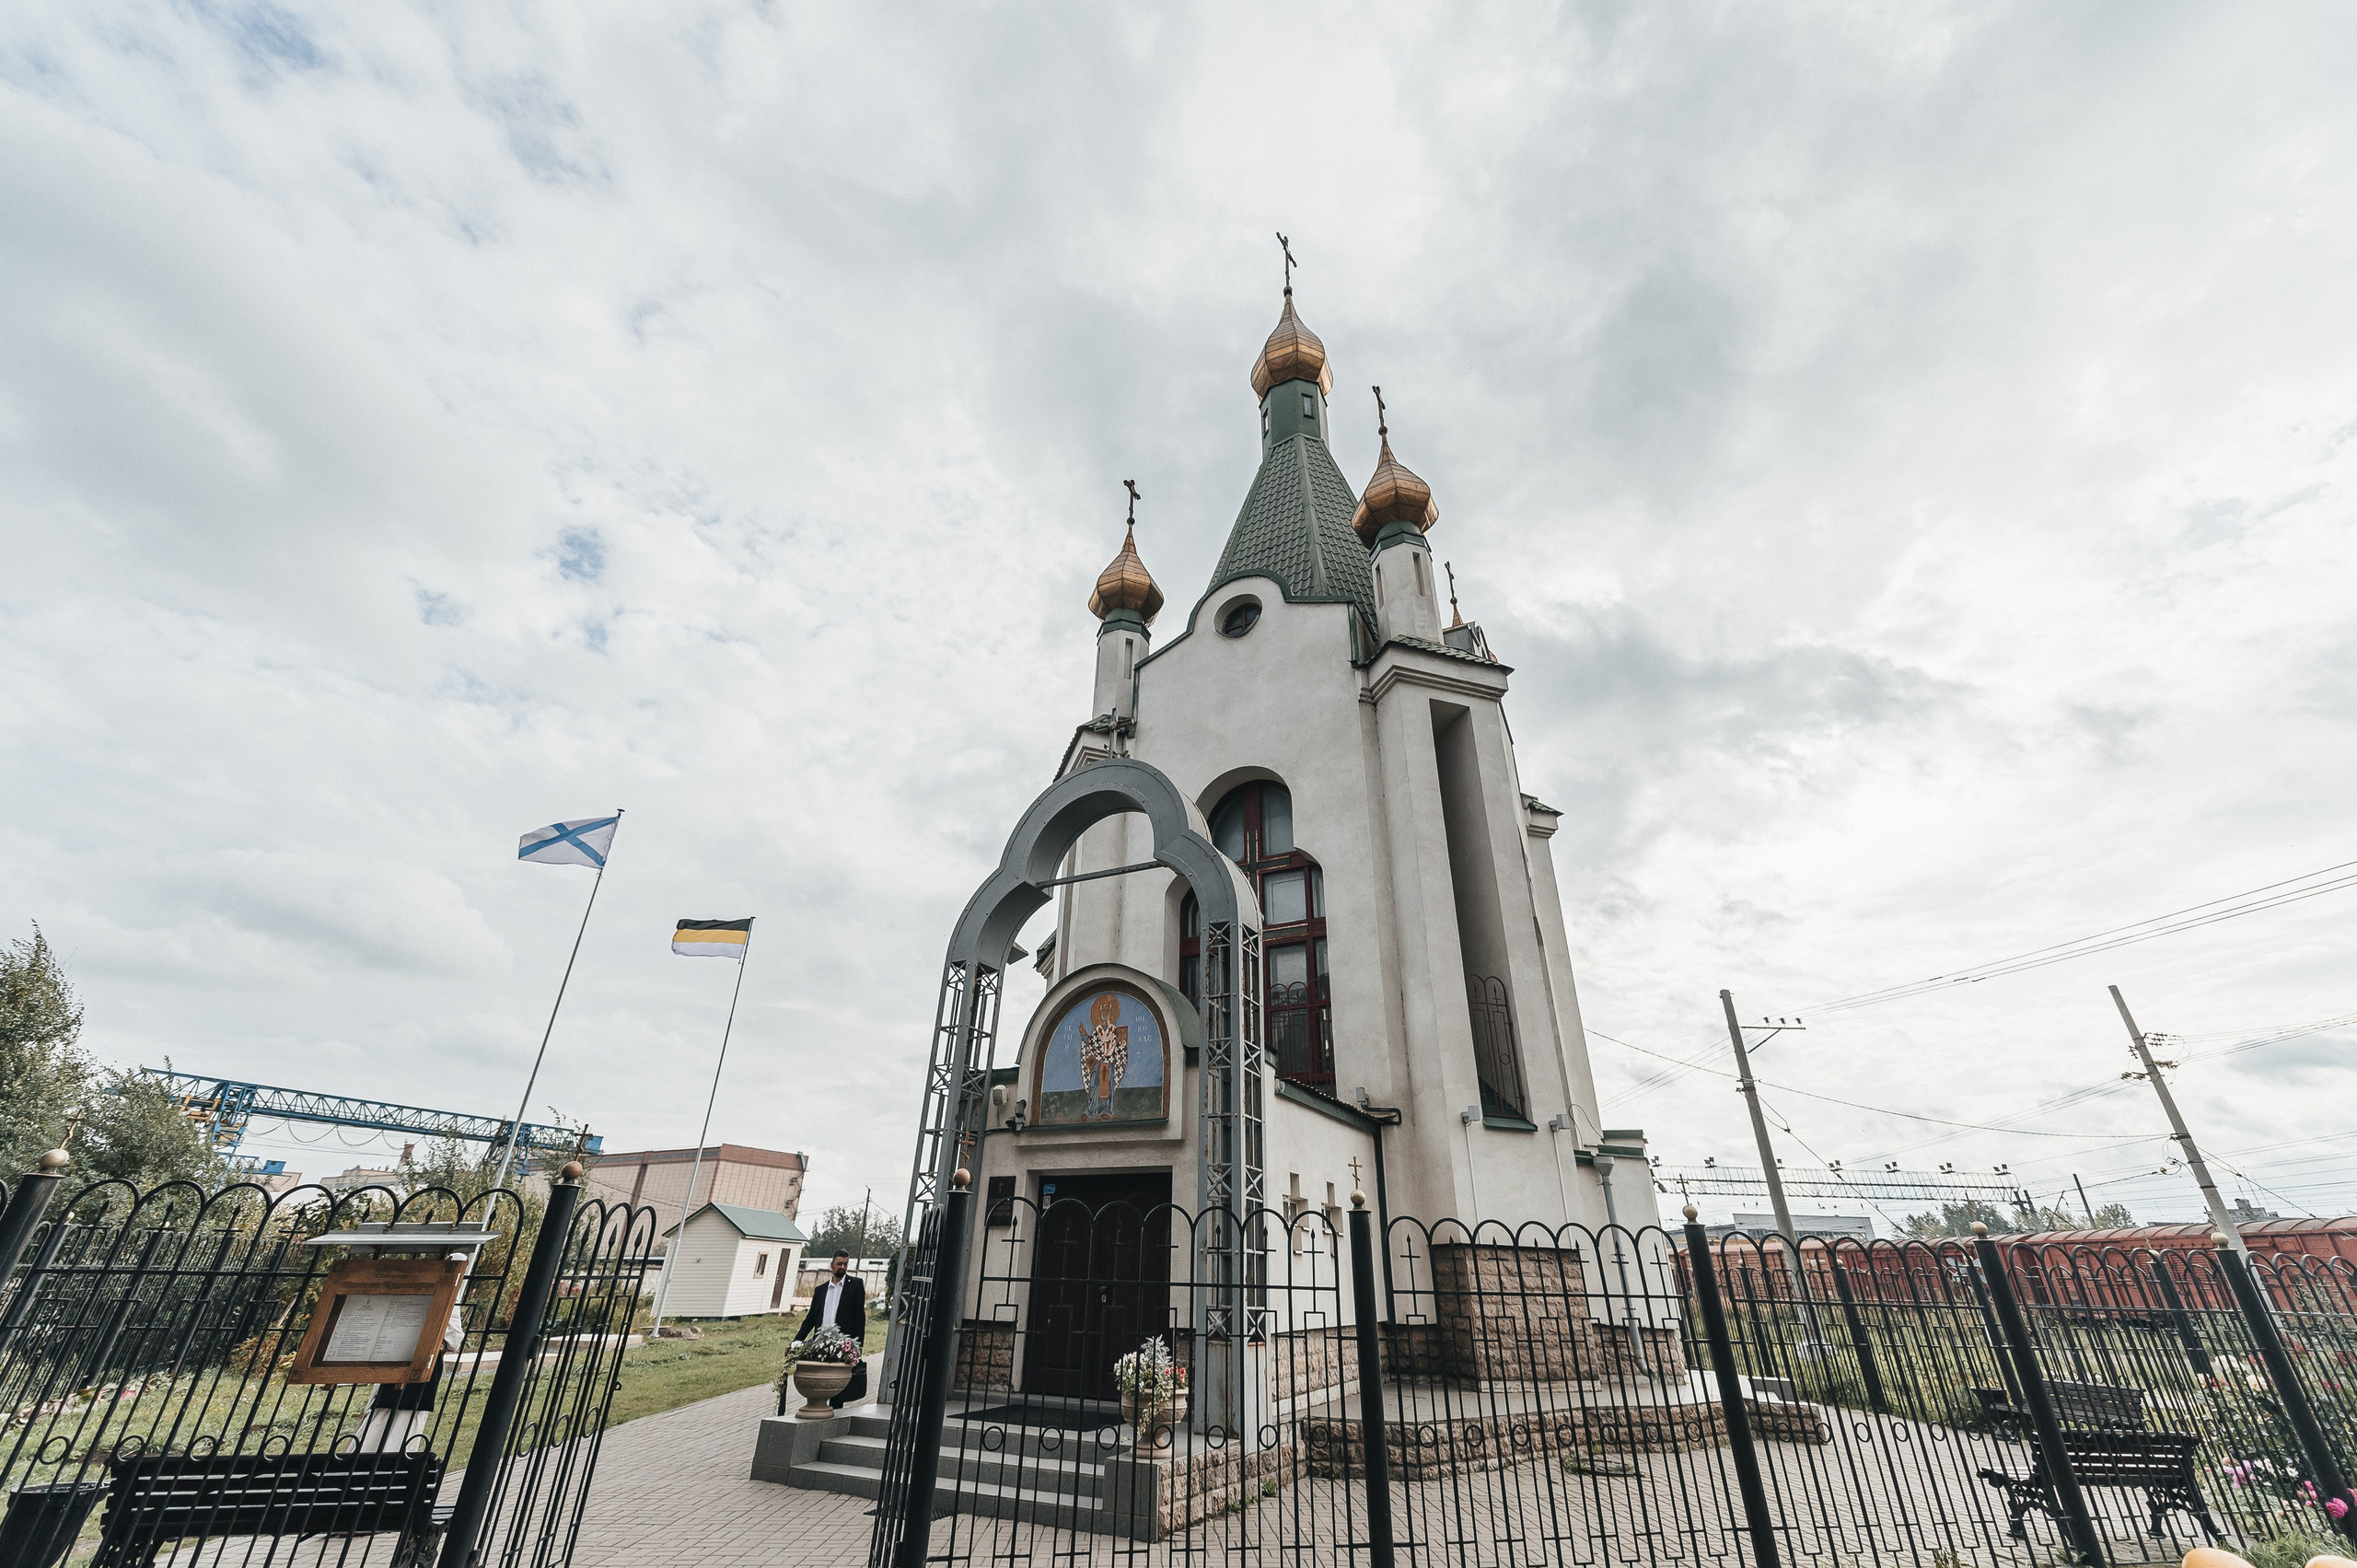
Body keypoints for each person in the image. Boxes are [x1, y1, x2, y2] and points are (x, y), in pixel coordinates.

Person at [796, 1250, 869, 1409]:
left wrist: (858, 1345)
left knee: (837, 1387)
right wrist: (796, 1341)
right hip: (820, 1344)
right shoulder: (821, 1290)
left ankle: (835, 1416)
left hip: (842, 1345)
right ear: (832, 1265)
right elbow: (810, 1319)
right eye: (839, 1264)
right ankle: (817, 1410)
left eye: (845, 1264)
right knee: (819, 1382)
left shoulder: (855, 1285)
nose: (842, 1267)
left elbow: (860, 1318)